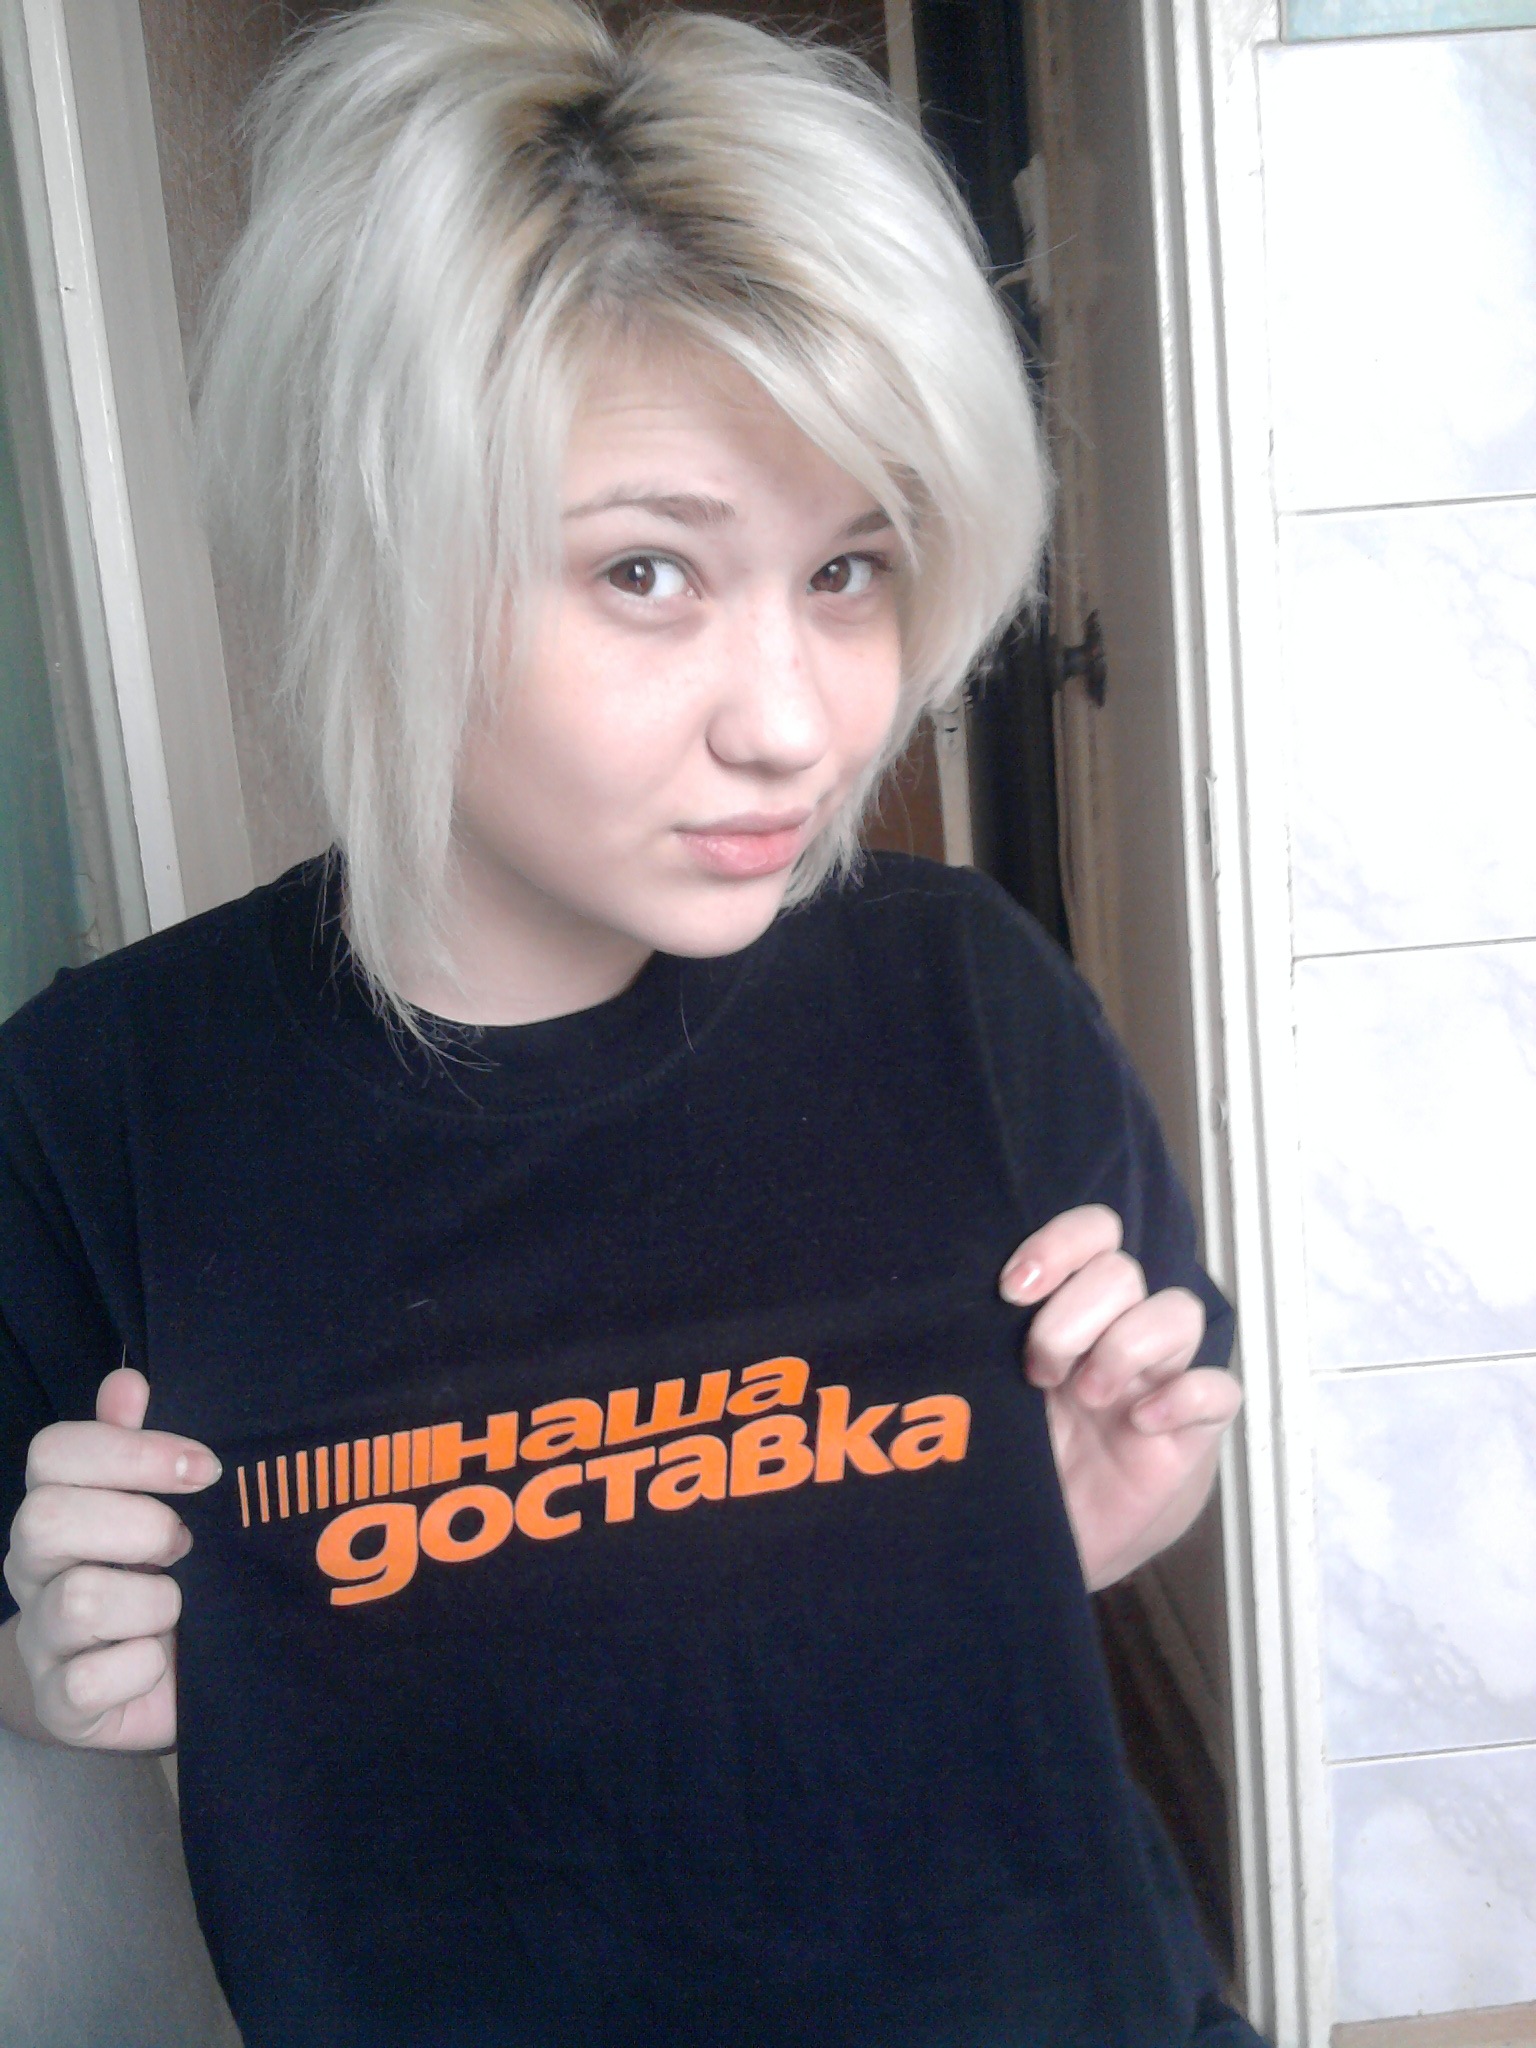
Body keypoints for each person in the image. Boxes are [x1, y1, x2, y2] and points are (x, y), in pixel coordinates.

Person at [0, 2, 1258, 2042]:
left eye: (850, 569)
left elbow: (1105, 1514)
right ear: (373, 547)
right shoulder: (99, 1108)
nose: (795, 722)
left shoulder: (963, 990)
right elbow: (42, 1633)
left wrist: (1111, 1510)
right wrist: (51, 1667)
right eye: (652, 570)